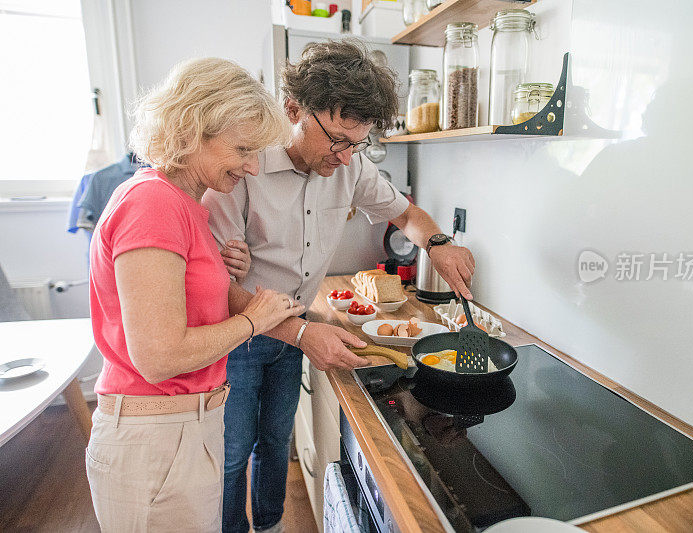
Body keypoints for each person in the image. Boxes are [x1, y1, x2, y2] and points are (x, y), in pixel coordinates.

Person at [203, 40, 476, 533]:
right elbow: (212, 283)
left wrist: (437, 242)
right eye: (336, 140)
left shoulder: (349, 166)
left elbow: (406, 213)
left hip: (295, 329)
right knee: (229, 455)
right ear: (293, 110)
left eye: (358, 143)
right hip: (237, 337)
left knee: (274, 441)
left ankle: (267, 525)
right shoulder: (244, 164)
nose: (347, 158)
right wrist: (302, 333)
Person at [85, 57, 305, 532]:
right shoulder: (153, 202)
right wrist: (253, 321)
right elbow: (159, 357)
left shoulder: (184, 203)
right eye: (243, 149)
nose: (251, 167)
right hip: (156, 440)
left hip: (184, 428)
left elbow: (186, 298)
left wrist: (220, 274)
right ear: (190, 131)